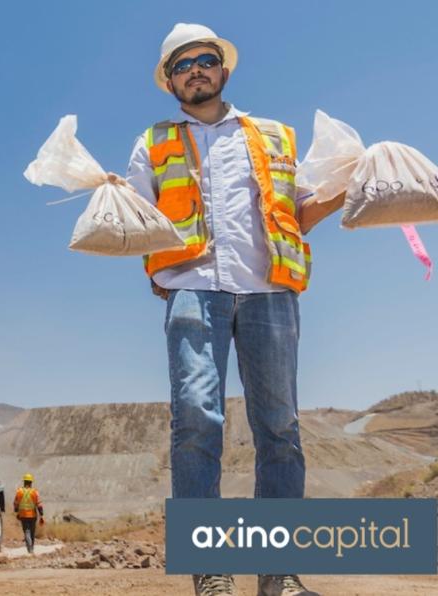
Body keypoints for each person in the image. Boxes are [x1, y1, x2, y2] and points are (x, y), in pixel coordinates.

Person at [125, 23, 342, 596]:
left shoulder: (272, 136)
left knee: (280, 429)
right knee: (197, 420)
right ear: (169, 80)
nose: (196, 68)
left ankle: (279, 575)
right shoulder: (153, 142)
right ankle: (211, 570)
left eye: (206, 59)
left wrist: (351, 187)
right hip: (193, 288)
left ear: (223, 69)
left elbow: (299, 211)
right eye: (183, 63)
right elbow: (133, 219)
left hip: (269, 291)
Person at [13, 473, 42, 554]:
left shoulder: (19, 491)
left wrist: (16, 510)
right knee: (32, 532)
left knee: (26, 531)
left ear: (24, 482)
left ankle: (29, 549)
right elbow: (39, 504)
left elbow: (15, 503)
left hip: (23, 515)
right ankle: (31, 548)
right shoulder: (34, 492)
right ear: (31, 482)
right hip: (33, 515)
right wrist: (41, 514)